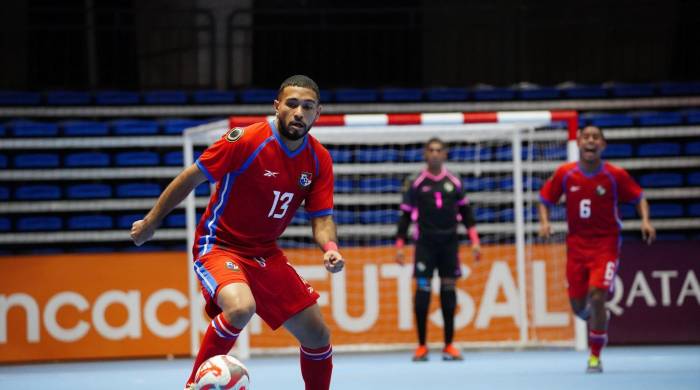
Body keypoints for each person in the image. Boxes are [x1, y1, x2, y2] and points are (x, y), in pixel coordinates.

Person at [130, 75, 343, 390]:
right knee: (241, 307)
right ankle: (193, 386)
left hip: (265, 253)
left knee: (317, 335)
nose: (299, 112)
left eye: (308, 107)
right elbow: (191, 177)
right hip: (219, 245)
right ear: (277, 106)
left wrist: (329, 246)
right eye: (292, 104)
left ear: (318, 113)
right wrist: (150, 222)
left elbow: (321, 217)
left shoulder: (319, 159)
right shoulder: (246, 140)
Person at [538, 125, 655, 373]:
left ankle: (594, 356)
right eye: (586, 137)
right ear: (578, 142)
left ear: (602, 145)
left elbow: (639, 197)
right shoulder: (565, 173)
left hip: (606, 245)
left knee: (598, 294)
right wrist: (545, 223)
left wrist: (645, 220)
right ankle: (597, 320)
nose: (590, 141)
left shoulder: (615, 175)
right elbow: (545, 200)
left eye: (596, 138)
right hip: (576, 246)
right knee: (579, 307)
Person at [395, 137, 482, 362]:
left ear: (445, 154)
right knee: (422, 292)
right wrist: (400, 246)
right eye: (431, 150)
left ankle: (449, 345)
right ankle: (422, 345)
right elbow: (405, 216)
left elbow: (467, 214)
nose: (434, 154)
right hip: (425, 245)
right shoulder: (415, 182)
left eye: (439, 150)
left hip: (449, 245)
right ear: (425, 154)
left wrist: (474, 241)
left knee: (448, 292)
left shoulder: (454, 181)